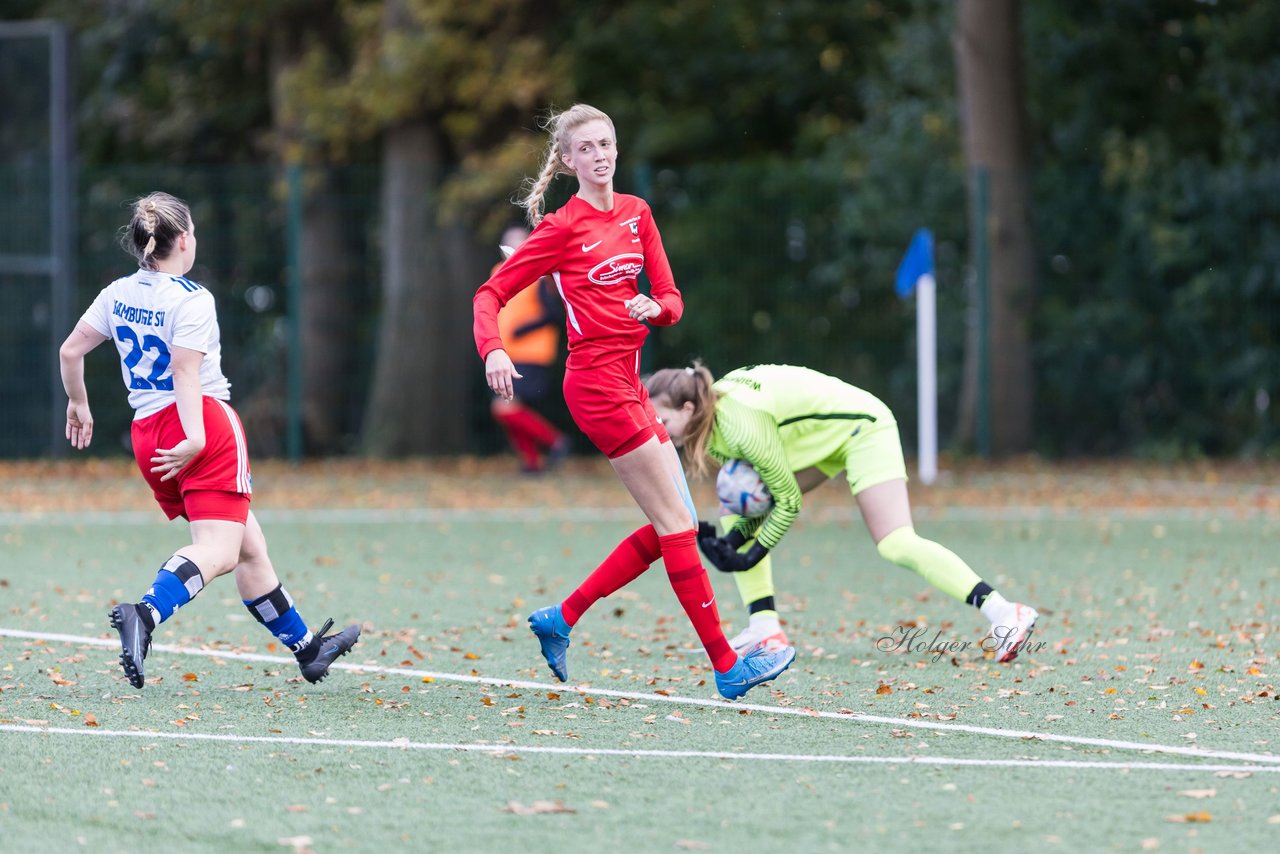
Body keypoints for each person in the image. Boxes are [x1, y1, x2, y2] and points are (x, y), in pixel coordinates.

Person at [473, 104, 795, 700]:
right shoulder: (561, 228)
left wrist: (657, 307)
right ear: (568, 161)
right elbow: (490, 294)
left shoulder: (637, 214)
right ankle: (726, 667)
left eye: (607, 143)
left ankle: (561, 618)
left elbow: (672, 297)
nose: (600, 155)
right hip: (595, 387)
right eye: (587, 148)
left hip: (632, 381)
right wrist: (493, 349)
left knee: (669, 526)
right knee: (677, 526)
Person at [58, 191, 361, 690]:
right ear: (181, 240)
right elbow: (185, 370)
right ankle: (146, 613)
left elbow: (71, 352)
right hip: (200, 426)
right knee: (218, 550)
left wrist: (79, 403)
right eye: (192, 230)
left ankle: (307, 649)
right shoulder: (192, 298)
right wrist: (197, 436)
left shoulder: (117, 294)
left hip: (147, 434)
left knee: (249, 548)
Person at [645, 362, 1040, 662]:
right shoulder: (713, 419)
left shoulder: (739, 427)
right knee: (735, 511)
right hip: (816, 438)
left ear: (689, 406)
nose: (659, 431)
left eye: (662, 421)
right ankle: (764, 628)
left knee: (896, 542)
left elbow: (787, 500)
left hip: (864, 427)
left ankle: (1005, 611)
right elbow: (765, 498)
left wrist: (748, 552)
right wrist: (732, 539)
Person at [489, 224, 570, 474]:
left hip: (531, 354)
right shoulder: (498, 272)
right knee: (505, 408)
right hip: (506, 354)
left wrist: (524, 329)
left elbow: (554, 315)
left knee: (504, 407)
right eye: (508, 243)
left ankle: (555, 441)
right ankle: (532, 462)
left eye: (518, 243)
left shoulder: (538, 275)